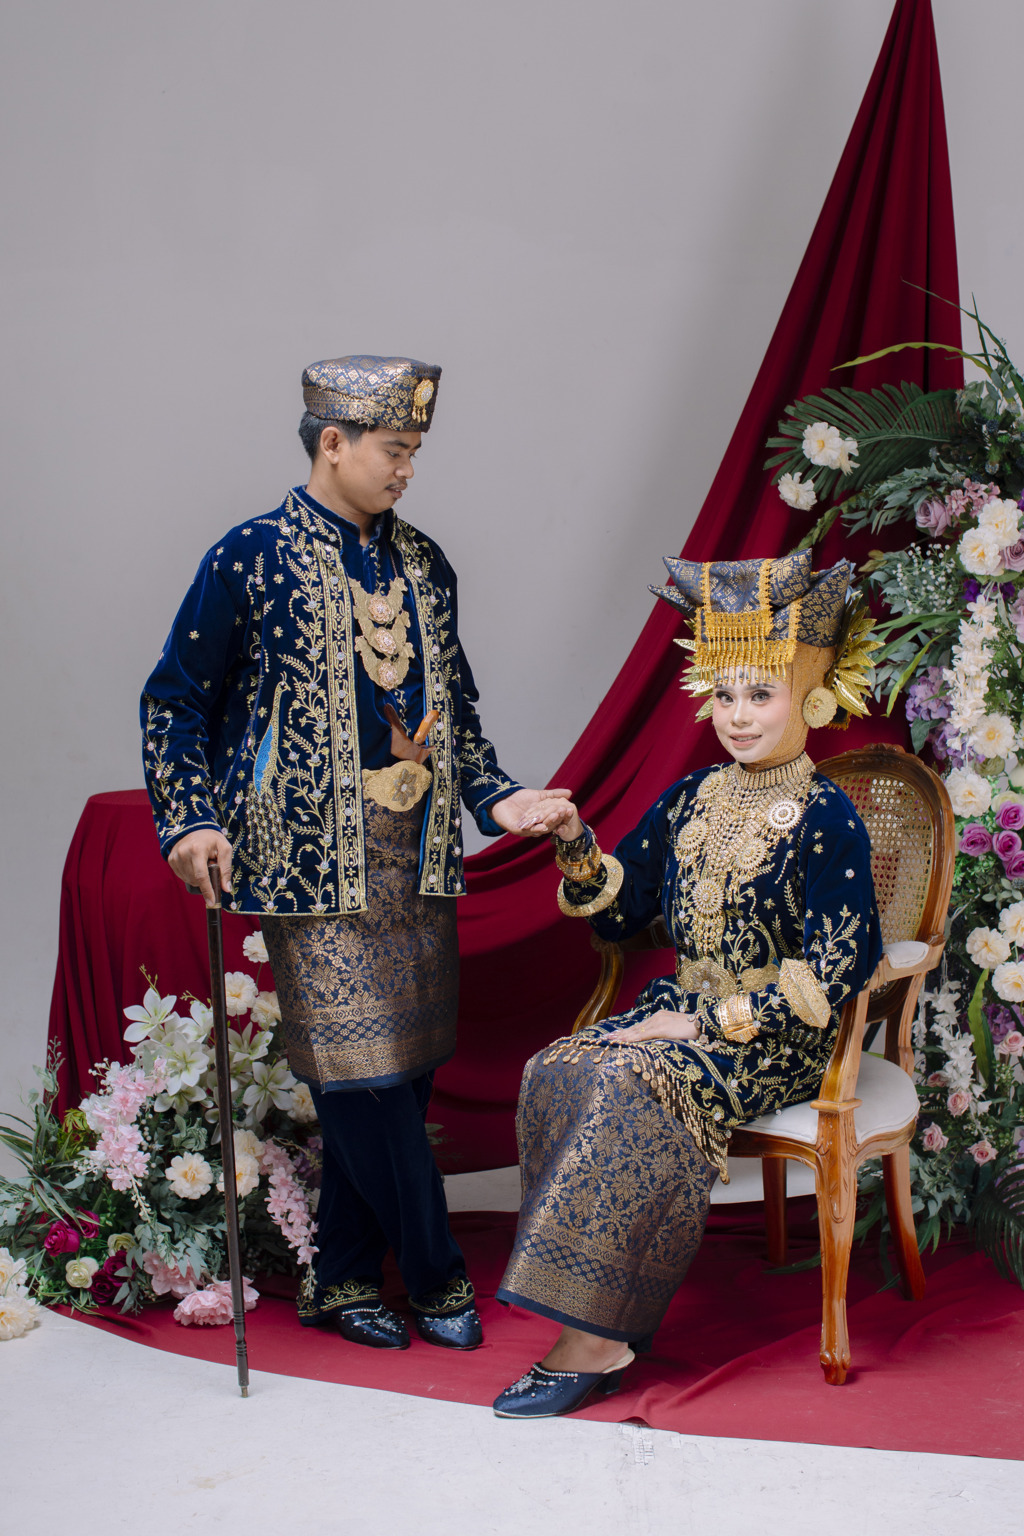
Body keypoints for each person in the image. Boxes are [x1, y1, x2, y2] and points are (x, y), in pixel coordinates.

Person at [141, 355, 569, 1353]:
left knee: (402, 1079)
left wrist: (498, 797)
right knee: (362, 1080)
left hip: (414, 857)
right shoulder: (248, 556)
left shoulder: (426, 564)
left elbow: (457, 712)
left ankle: (337, 1279)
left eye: (416, 451)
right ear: (332, 442)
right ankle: (437, 1274)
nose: (408, 469)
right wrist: (190, 819)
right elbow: (174, 700)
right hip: (308, 864)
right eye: (394, 449)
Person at [491, 551, 883, 1417]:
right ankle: (592, 1300)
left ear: (810, 695)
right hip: (683, 1014)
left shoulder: (829, 819)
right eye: (725, 693)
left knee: (633, 1078)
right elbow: (619, 912)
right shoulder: (692, 796)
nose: (737, 717)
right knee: (556, 1066)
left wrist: (707, 1025)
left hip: (776, 1037)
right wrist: (574, 841)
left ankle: (596, 1339)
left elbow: (835, 971)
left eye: (761, 694)